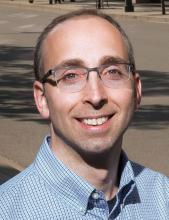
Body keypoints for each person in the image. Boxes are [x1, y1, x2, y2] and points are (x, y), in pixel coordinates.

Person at [0, 9, 169, 219]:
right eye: (71, 76)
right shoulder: (7, 211)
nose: (96, 95)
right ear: (42, 99)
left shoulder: (163, 199)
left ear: (136, 91)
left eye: (113, 72)